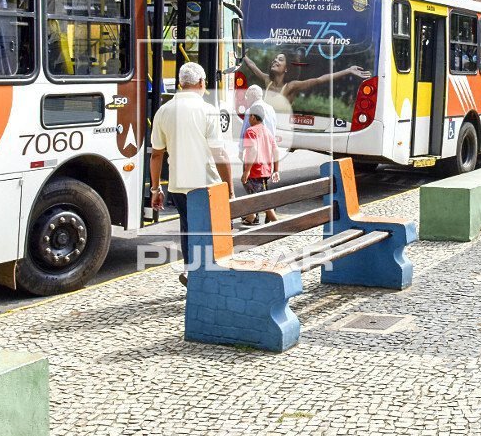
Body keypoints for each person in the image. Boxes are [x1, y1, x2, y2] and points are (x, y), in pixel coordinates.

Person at [149, 62, 234, 284]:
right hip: (207, 184)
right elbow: (220, 154)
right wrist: (230, 189)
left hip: (178, 185)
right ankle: (211, 276)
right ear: (201, 83)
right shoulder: (208, 111)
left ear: (180, 83)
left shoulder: (163, 111)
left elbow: (156, 155)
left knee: (188, 229)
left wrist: (156, 188)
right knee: (211, 231)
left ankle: (190, 271)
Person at [240, 52, 370, 105]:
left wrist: (348, 70)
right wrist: (241, 53)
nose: (275, 60)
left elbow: (320, 79)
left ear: (286, 68)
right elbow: (252, 65)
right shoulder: (267, 80)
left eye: (280, 59)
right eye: (275, 59)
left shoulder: (291, 86)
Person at [240, 103, 280, 226]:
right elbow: (276, 151)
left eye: (249, 117)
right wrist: (276, 170)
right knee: (258, 194)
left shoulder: (250, 131)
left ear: (253, 116)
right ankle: (251, 216)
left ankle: (278, 224)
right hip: (266, 170)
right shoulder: (267, 131)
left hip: (255, 170)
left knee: (262, 199)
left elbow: (254, 150)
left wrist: (247, 171)